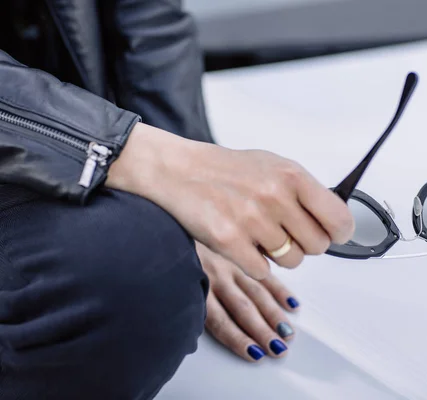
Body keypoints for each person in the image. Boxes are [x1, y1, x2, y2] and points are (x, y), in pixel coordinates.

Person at [0, 1, 355, 399]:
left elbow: (146, 15)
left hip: (81, 135)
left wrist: (190, 194)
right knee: (131, 273)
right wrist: (137, 156)